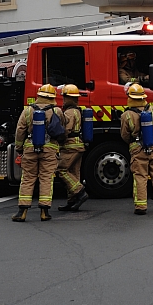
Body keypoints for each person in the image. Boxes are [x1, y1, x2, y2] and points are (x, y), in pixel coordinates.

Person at [12, 84, 65, 222]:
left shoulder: (28, 110)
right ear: (53, 97)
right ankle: (44, 212)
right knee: (46, 178)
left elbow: (20, 130)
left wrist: (19, 148)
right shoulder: (57, 111)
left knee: (28, 178)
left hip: (30, 148)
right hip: (50, 149)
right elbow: (62, 128)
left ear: (38, 95)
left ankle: (22, 212)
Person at [119, 83, 153, 215]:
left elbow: (124, 135)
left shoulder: (127, 115)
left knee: (140, 177)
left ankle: (141, 206)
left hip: (137, 149)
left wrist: (132, 143)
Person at [56, 84, 89, 212]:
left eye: (64, 96)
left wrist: (58, 137)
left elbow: (66, 130)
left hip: (70, 146)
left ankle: (79, 192)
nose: (63, 99)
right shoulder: (78, 111)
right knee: (73, 173)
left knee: (61, 170)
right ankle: (72, 201)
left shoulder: (69, 112)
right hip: (78, 145)